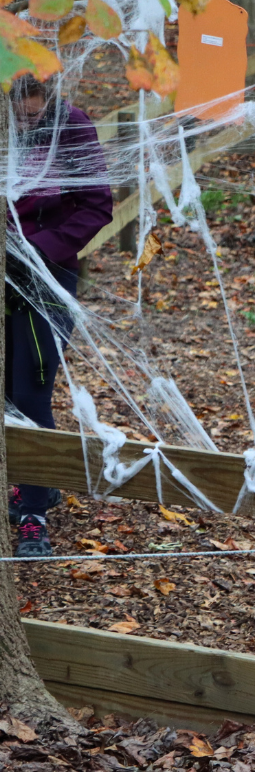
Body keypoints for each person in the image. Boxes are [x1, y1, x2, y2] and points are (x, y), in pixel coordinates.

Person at [7, 76, 110, 557]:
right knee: (8, 390)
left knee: (32, 390)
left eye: (34, 113)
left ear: (50, 99)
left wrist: (36, 252)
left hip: (48, 274)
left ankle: (33, 517)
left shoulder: (73, 128)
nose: (27, 120)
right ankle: (35, 481)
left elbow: (96, 206)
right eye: (18, 113)